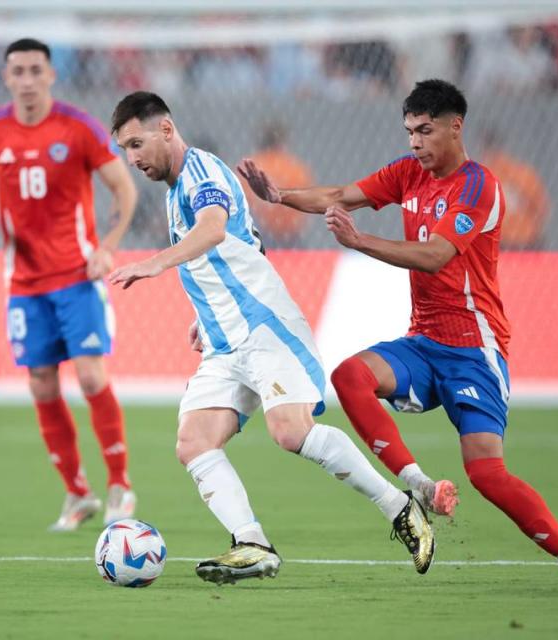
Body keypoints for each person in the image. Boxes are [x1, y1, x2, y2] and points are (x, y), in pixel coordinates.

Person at [239, 79, 558, 588]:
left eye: (425, 130)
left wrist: (359, 241)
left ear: (456, 127)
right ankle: (418, 485)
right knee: (349, 376)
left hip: (475, 352)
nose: (414, 142)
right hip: (424, 342)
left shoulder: (479, 185)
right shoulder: (409, 173)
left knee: (487, 476)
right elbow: (342, 194)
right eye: (409, 130)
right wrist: (281, 196)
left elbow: (436, 255)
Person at [108, 91, 434, 585]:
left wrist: (154, 263)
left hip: (264, 329)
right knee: (194, 441)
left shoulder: (203, 174)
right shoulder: (175, 190)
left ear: (166, 129)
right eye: (124, 150)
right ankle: (252, 543)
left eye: (137, 143)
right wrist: (207, 313)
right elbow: (246, 245)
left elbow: (214, 230)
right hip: (225, 342)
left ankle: (399, 508)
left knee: (290, 431)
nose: (132, 159)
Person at [0, 38, 139, 532]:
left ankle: (120, 483)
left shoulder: (77, 127)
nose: (27, 80)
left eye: (36, 70)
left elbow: (124, 188)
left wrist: (107, 247)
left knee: (88, 377)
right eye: (17, 71)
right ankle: (77, 495)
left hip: (77, 276)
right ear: (6, 77)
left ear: (51, 74)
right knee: (40, 382)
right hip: (23, 281)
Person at [238, 122, 314, 247]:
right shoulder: (293, 166)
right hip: (290, 233)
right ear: (281, 143)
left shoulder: (250, 164)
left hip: (258, 232)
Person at [477, 127, 550, 250]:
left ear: (484, 151)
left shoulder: (481, 177)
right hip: (527, 241)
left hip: (502, 242)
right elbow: (541, 209)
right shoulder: (522, 172)